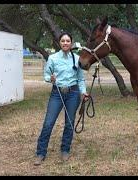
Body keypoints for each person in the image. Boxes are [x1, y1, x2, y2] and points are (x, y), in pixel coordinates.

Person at [34, 32, 88, 166]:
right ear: (59, 43)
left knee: (69, 123)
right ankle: (40, 153)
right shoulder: (52, 58)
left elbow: (80, 79)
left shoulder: (77, 58)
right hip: (57, 93)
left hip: (73, 93)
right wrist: (50, 79)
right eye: (63, 41)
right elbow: (46, 75)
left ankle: (65, 149)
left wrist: (83, 92)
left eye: (68, 41)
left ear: (71, 43)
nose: (65, 43)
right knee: (48, 123)